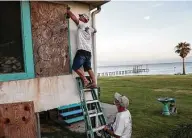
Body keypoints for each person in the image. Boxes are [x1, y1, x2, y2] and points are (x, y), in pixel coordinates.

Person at [66, 7, 97, 88]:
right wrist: (92, 29)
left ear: (85, 19)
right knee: (89, 68)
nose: (79, 17)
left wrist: (68, 11)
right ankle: (94, 83)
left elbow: (74, 18)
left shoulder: (81, 25)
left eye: (81, 16)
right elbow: (95, 30)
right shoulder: (90, 28)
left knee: (75, 67)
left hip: (82, 51)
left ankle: (86, 81)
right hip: (88, 52)